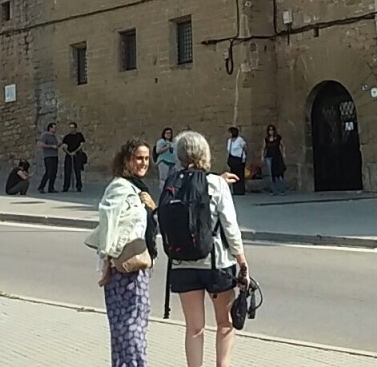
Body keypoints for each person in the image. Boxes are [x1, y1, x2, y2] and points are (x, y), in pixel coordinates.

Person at [169, 131, 248, 367]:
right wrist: (242, 261)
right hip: (217, 263)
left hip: (183, 264)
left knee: (194, 328)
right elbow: (231, 227)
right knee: (225, 323)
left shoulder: (173, 183)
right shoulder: (216, 184)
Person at [85, 138, 158, 367]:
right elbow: (109, 224)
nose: (143, 163)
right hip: (123, 266)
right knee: (129, 325)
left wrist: (152, 208)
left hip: (136, 265)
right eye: (138, 158)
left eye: (146, 159)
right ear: (127, 160)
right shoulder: (120, 187)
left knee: (130, 323)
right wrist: (106, 261)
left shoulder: (137, 188)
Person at [61, 122, 87, 193]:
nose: (71, 129)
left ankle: (79, 186)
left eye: (73, 127)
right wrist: (69, 153)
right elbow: (64, 146)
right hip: (69, 155)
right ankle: (66, 187)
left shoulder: (79, 135)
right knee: (67, 171)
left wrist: (75, 151)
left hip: (77, 155)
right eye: (70, 128)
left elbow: (81, 144)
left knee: (77, 171)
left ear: (75, 128)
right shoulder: (67, 137)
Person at [263, 125, 287, 196]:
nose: (271, 131)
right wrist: (262, 156)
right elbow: (264, 148)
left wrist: (284, 153)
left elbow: (282, 145)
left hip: (277, 156)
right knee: (271, 174)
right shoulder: (266, 139)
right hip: (269, 157)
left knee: (280, 173)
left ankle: (282, 190)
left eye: (272, 130)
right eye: (269, 130)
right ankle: (273, 190)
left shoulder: (278, 138)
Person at [37, 122, 60, 194]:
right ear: (50, 128)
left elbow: (55, 145)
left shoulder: (54, 137)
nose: (55, 129)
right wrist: (51, 146)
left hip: (55, 156)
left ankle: (51, 187)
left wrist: (58, 145)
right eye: (54, 127)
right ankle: (41, 187)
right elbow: (41, 145)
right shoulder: (46, 136)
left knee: (54, 172)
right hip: (48, 156)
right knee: (48, 172)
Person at [226, 127, 247, 197]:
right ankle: (235, 190)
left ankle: (241, 190)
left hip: (239, 159)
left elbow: (245, 147)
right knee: (234, 174)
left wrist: (243, 155)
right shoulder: (229, 141)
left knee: (240, 174)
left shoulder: (240, 140)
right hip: (233, 158)